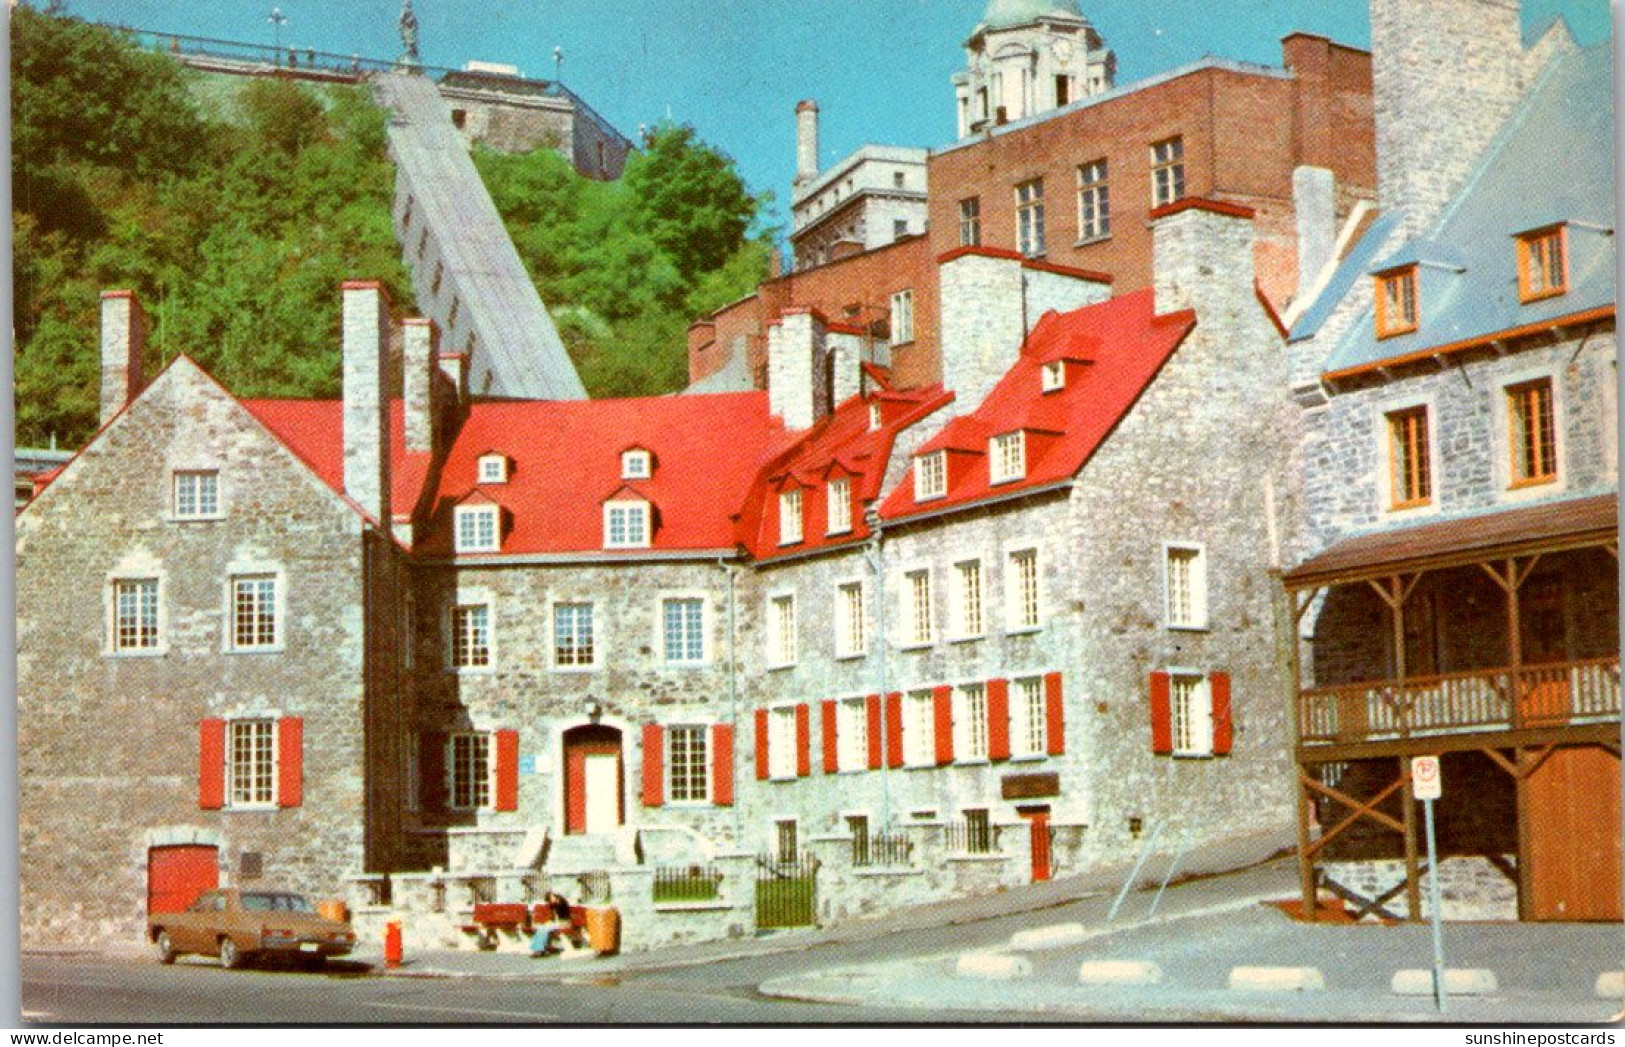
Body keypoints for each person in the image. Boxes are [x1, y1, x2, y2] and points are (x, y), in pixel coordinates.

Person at [529, 891, 573, 957]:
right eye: (549, 899)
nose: (550, 901)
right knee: (541, 928)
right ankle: (538, 949)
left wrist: (552, 921)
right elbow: (552, 917)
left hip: (564, 923)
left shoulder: (562, 903)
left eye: (551, 898)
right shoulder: (552, 905)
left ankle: (539, 950)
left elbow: (563, 917)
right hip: (557, 923)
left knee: (544, 928)